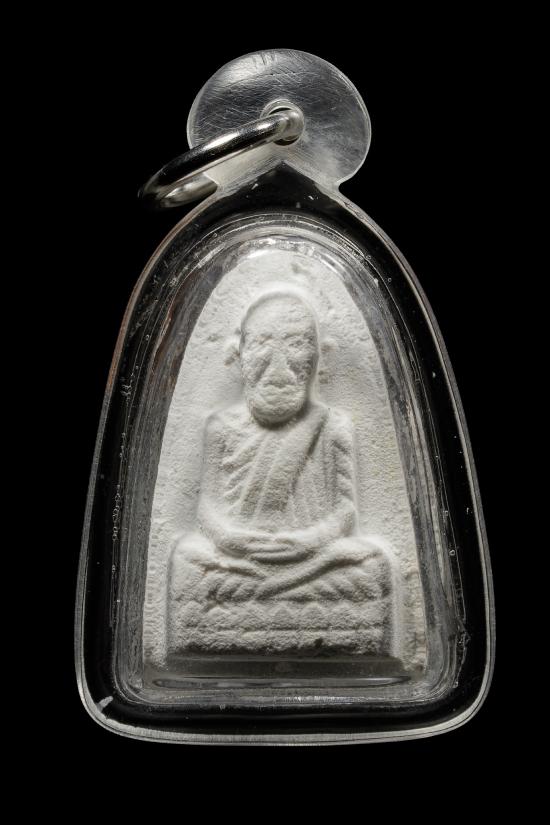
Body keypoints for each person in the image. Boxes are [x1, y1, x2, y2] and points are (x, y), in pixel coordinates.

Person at [168, 288, 396, 656]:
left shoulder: (332, 426)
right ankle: (282, 609)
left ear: (317, 357)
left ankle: (253, 612)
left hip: (312, 559)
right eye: (262, 344)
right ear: (240, 355)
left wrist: (308, 542)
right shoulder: (221, 427)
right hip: (241, 561)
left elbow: (345, 511)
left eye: (295, 344)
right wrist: (234, 541)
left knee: (371, 567)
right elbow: (207, 511)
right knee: (188, 562)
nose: (278, 363)